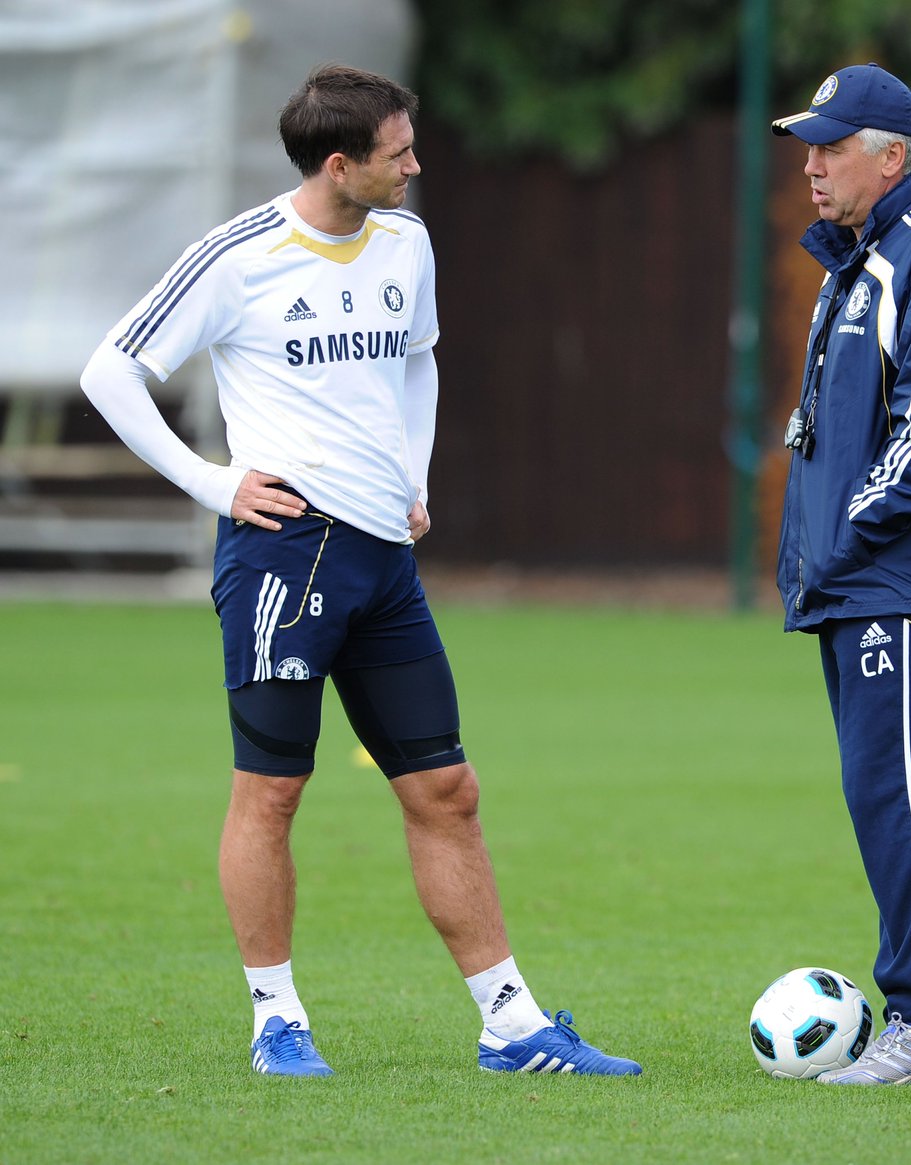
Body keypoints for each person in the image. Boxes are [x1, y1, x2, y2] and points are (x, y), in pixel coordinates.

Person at [80, 63, 640, 1079]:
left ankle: (511, 1027)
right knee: (272, 793)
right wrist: (213, 484)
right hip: (283, 557)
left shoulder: (407, 241)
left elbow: (417, 356)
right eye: (399, 154)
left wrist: (412, 469)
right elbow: (110, 367)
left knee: (447, 787)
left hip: (384, 559)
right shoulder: (235, 257)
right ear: (340, 165)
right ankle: (275, 1022)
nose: (416, 166)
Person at [770, 63, 911, 1085]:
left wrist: (852, 528)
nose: (811, 165)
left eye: (831, 145)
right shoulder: (853, 265)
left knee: (910, 800)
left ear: (892, 155)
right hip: (855, 583)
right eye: (807, 146)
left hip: (903, 579)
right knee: (882, 799)